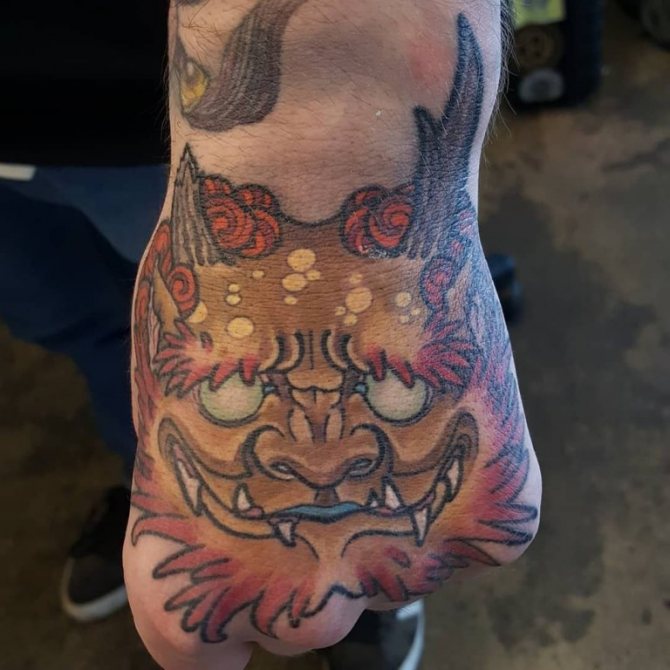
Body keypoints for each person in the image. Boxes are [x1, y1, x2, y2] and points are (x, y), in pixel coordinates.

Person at [0, 2, 541, 669]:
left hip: (170, 124)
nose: (318, 466)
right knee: (84, 329)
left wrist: (326, 114)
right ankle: (143, 480)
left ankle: (372, 581)